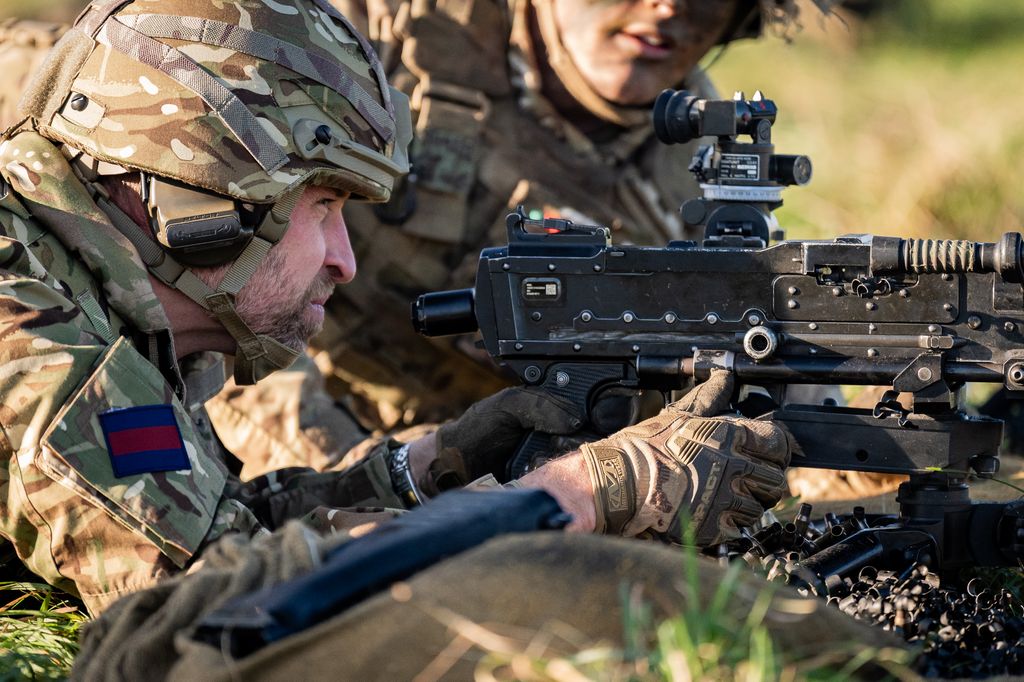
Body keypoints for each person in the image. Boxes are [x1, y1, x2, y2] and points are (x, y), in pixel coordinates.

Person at [0, 0, 790, 624]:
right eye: (323, 205)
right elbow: (217, 602)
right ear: (200, 200)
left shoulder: (106, 302)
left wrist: (433, 466)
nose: (345, 258)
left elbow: (228, 526)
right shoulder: (30, 324)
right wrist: (581, 495)